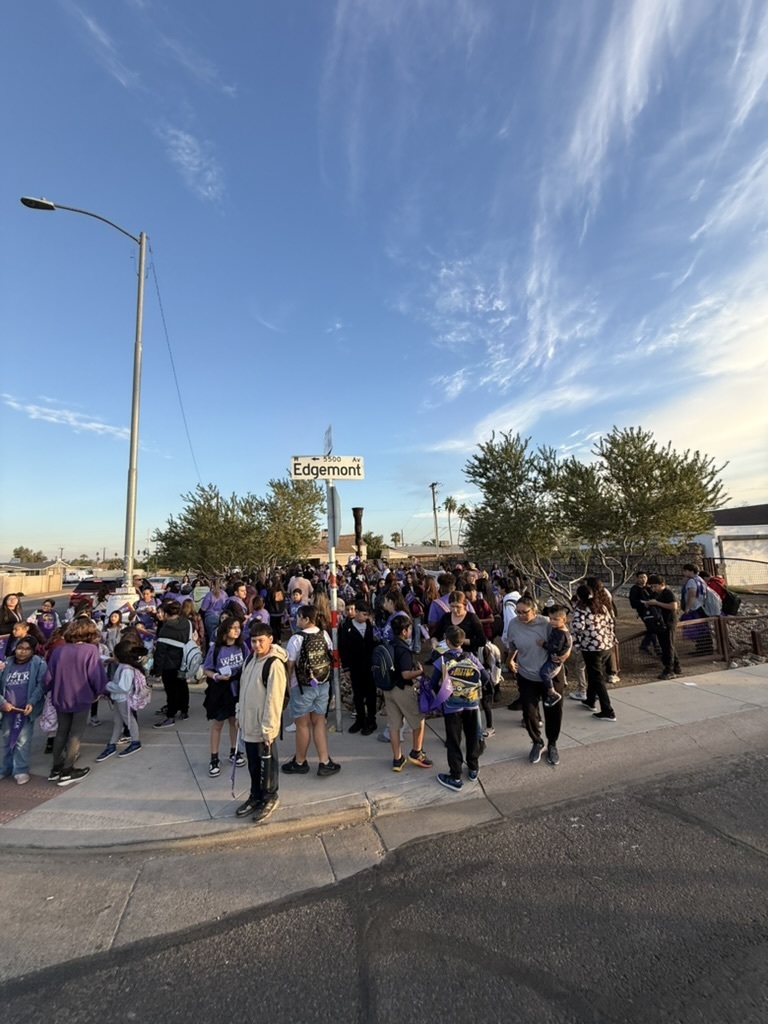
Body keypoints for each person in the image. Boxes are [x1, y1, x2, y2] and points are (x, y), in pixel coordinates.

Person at [234, 622, 288, 823]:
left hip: (263, 726)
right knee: (254, 765)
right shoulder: (250, 659)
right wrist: (239, 713)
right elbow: (243, 689)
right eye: (254, 641)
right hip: (248, 722)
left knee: (268, 765)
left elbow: (274, 699)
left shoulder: (273, 664)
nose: (256, 645)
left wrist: (269, 729)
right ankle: (255, 795)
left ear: (270, 640)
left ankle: (270, 796)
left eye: (260, 641)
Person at [44, 618, 108, 786]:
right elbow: (96, 676)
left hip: (60, 695)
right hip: (81, 696)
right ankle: (68, 770)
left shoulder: (59, 651)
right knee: (76, 734)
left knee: (61, 732)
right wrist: (99, 691)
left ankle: (56, 767)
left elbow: (48, 677)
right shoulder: (90, 650)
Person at [505, 596, 568, 765]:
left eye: (524, 612)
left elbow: (565, 637)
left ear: (534, 610)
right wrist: (510, 660)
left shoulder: (547, 623)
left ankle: (552, 744)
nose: (520, 616)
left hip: (551, 676)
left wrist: (566, 655)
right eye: (517, 612)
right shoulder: (513, 624)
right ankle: (537, 742)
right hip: (527, 675)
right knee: (529, 712)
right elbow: (513, 645)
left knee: (554, 712)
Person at [281, 605, 340, 778]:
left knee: (302, 724)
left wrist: (286, 686)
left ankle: (300, 761)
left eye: (299, 617)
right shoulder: (324, 634)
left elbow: (290, 664)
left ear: (306, 619)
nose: (296, 620)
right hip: (322, 685)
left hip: (302, 687)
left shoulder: (296, 639)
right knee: (319, 722)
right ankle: (324, 761)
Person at [431, 625, 488, 792]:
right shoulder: (470, 657)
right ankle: (473, 769)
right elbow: (485, 677)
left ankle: (455, 776)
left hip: (452, 707)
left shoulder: (443, 660)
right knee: (472, 736)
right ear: (462, 641)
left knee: (454, 741)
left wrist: (443, 696)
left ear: (447, 642)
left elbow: (434, 683)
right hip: (472, 704)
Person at [384, 615, 432, 772]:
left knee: (394, 725)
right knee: (419, 719)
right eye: (409, 628)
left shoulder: (389, 644)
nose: (411, 631)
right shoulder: (403, 650)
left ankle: (397, 759)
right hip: (403, 689)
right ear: (404, 631)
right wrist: (419, 671)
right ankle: (416, 752)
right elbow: (405, 674)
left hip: (388, 689)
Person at [202, 618, 249, 776]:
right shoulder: (216, 649)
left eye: (238, 627)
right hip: (221, 691)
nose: (236, 631)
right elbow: (206, 669)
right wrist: (216, 676)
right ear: (225, 630)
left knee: (234, 722)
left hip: (238, 690)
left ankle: (234, 751)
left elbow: (248, 664)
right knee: (217, 724)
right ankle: (214, 757)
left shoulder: (242, 647)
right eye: (233, 628)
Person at [0, 636, 46, 784]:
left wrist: (32, 702)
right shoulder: (6, 664)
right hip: (8, 708)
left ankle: (20, 769)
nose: (22, 652)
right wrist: (2, 702)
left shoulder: (38, 663)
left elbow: (41, 685)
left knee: (22, 740)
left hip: (24, 710)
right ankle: (5, 768)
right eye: (20, 648)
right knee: (7, 739)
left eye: (27, 649)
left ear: (33, 651)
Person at [570, 584, 617, 722]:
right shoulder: (601, 607)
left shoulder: (581, 609)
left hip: (590, 647)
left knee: (597, 677)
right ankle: (590, 700)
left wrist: (572, 632)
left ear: (579, 596)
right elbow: (610, 623)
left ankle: (608, 710)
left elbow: (579, 627)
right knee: (594, 673)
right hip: (606, 645)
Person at [94, 639, 144, 761]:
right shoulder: (123, 666)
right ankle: (112, 743)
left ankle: (135, 741)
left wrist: (107, 685)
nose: (113, 655)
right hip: (119, 699)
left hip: (124, 700)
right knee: (118, 722)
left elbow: (123, 687)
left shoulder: (126, 669)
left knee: (129, 720)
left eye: (114, 653)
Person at [152, 599, 194, 729]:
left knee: (171, 691)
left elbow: (160, 653)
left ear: (166, 614)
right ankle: (184, 710)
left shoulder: (165, 630)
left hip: (169, 665)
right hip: (185, 661)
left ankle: (170, 715)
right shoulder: (187, 623)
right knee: (182, 686)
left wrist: (157, 672)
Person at [338, 598, 377, 735]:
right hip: (355, 666)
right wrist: (346, 667)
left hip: (369, 666)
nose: (366, 617)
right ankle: (360, 719)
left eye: (367, 615)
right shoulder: (347, 627)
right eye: (364, 614)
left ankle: (371, 720)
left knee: (371, 694)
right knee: (358, 694)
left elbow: (375, 644)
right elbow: (343, 648)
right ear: (357, 612)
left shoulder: (371, 627)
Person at [642, 575, 682, 680]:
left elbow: (674, 606)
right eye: (652, 587)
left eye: (655, 586)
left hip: (669, 622)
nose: (653, 589)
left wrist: (657, 603)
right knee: (666, 645)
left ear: (662, 585)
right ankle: (676, 666)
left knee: (668, 646)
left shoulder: (668, 593)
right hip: (660, 622)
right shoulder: (656, 594)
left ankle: (669, 669)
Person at [537, 605, 570, 706]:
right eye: (551, 618)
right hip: (554, 657)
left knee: (544, 673)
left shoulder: (561, 634)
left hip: (555, 659)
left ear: (564, 620)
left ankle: (552, 693)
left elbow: (555, 647)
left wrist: (543, 644)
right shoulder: (559, 629)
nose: (552, 621)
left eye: (555, 619)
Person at [629, 571, 661, 656]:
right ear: (637, 578)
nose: (643, 579)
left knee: (653, 629)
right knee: (652, 628)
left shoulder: (649, 588)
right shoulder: (635, 589)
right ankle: (656, 648)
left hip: (654, 611)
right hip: (644, 612)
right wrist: (644, 604)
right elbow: (633, 602)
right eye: (641, 577)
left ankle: (646, 645)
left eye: (645, 577)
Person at [200, 579, 228, 643]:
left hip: (210, 618)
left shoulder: (209, 595)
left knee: (212, 638)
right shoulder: (224, 594)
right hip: (222, 617)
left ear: (212, 585)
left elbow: (203, 608)